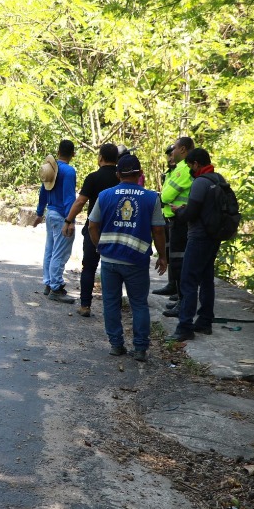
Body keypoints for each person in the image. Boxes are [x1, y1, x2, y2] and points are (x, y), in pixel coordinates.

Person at [88, 154, 167, 361]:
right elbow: (158, 231)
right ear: (140, 174)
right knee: (139, 304)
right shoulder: (152, 198)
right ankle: (140, 349)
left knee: (111, 303)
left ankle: (116, 345)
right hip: (137, 261)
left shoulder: (104, 196)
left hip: (110, 260)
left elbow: (92, 225)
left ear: (117, 174)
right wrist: (163, 257)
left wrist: (99, 247)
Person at [168, 148, 225, 342]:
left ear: (196, 164)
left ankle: (185, 326)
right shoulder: (218, 179)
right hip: (214, 236)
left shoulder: (200, 182)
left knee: (188, 281)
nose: (190, 170)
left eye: (190, 166)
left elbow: (191, 213)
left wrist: (179, 211)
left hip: (199, 236)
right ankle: (204, 321)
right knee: (207, 278)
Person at [63, 142, 121, 317]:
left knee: (89, 266)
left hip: (94, 228)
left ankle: (85, 305)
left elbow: (80, 202)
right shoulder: (121, 178)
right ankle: (114, 308)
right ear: (117, 159)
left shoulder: (93, 177)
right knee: (116, 269)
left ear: (100, 158)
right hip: (117, 229)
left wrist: (68, 219)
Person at [30, 140, 78, 302]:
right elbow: (69, 198)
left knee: (50, 250)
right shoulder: (69, 171)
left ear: (58, 152)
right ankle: (56, 288)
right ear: (73, 153)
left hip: (50, 213)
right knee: (60, 252)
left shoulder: (51, 168)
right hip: (62, 216)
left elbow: (43, 192)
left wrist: (39, 213)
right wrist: (70, 220)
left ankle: (49, 283)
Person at [157, 136, 195, 308]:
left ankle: (183, 301)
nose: (171, 154)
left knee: (180, 260)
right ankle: (179, 295)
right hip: (174, 218)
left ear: (183, 149)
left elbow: (165, 195)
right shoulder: (177, 168)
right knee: (176, 257)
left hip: (181, 220)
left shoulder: (183, 169)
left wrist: (163, 198)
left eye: (174, 150)